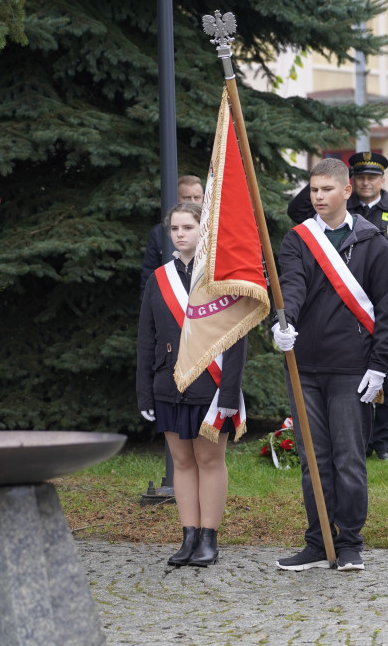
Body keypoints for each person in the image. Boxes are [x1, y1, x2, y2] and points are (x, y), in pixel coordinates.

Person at [272, 158, 388, 572]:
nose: (318, 197)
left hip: (353, 368)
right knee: (313, 459)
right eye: (313, 190)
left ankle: (349, 543)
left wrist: (380, 366)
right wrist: (283, 321)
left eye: (326, 189)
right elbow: (291, 284)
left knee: (348, 458)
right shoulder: (298, 240)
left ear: (347, 191)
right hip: (305, 367)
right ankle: (318, 540)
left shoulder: (373, 242)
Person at [287, 152, 388, 461]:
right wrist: (329, 171)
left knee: (384, 379)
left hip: (385, 312)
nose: (366, 182)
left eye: (372, 177)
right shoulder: (338, 208)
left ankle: (385, 442)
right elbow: (295, 209)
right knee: (356, 386)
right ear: (351, 183)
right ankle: (359, 442)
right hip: (344, 315)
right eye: (360, 177)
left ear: (382, 181)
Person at [136, 202, 246, 568]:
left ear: (204, 230)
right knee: (181, 462)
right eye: (174, 228)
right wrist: (144, 390)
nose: (180, 234)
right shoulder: (159, 278)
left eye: (188, 227)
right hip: (169, 384)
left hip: (211, 387)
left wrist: (229, 392)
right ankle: (189, 536)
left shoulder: (220, 277)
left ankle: (209, 538)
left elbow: (236, 337)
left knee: (209, 460)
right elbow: (146, 338)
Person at [140, 175, 205, 295]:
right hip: (172, 300)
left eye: (197, 197)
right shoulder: (159, 233)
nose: (192, 202)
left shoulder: (217, 230)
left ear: (204, 198)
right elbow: (149, 275)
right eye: (187, 197)